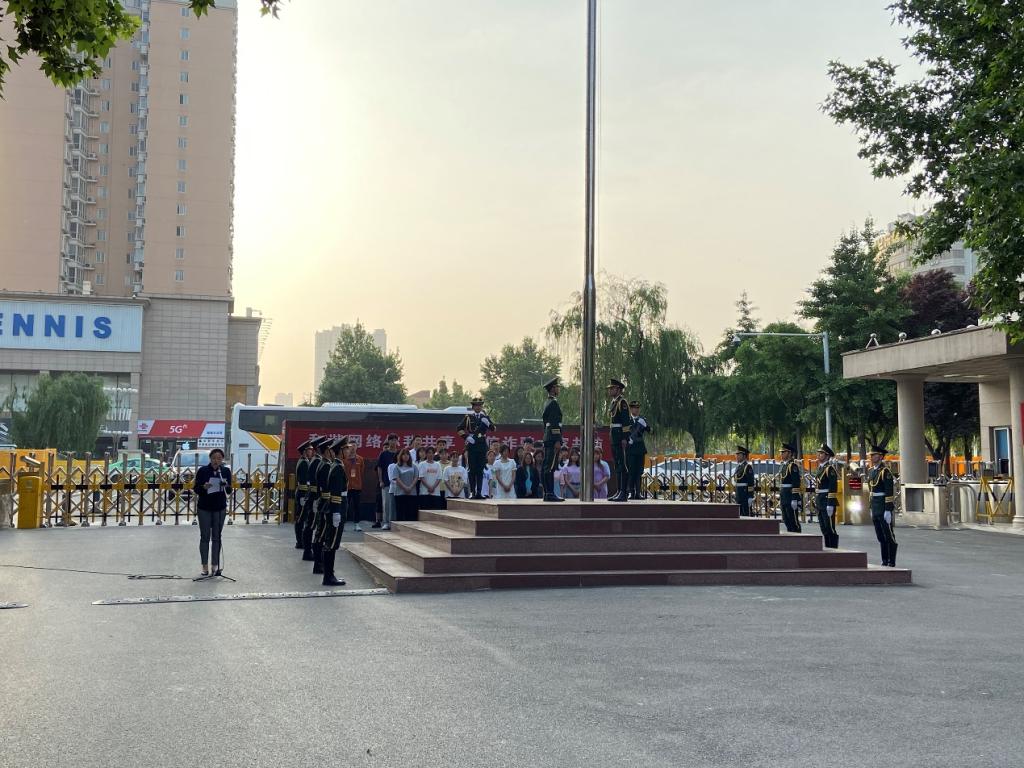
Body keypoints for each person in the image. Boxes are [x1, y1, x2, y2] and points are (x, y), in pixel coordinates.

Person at [194, 448, 232, 577]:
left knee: (217, 537)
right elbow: (196, 489)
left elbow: (229, 491)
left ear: (222, 460)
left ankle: (215, 565)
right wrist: (203, 487)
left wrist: (226, 485)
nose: (216, 461)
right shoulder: (203, 471)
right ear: (210, 459)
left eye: (219, 458)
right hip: (204, 507)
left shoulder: (225, 471)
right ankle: (204, 566)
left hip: (219, 508)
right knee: (205, 537)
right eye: (214, 458)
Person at [319, 437, 348, 586]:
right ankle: (328, 576)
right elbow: (336, 492)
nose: (348, 451)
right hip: (336, 508)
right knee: (332, 543)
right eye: (346, 449)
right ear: (340, 451)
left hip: (335, 507)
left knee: (330, 541)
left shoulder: (336, 465)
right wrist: (336, 512)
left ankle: (329, 574)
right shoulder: (337, 467)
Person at [458, 397, 495, 499]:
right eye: (476, 405)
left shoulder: (485, 417)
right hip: (472, 445)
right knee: (472, 469)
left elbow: (493, 429)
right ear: (473, 407)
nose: (478, 407)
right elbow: (459, 429)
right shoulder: (468, 418)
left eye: (480, 405)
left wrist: (488, 423)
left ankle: (479, 492)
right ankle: (472, 492)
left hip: (482, 445)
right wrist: (467, 437)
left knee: (480, 469)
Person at [867, 445, 898, 566]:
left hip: (883, 507)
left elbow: (889, 492)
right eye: (871, 455)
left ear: (880, 456)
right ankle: (884, 560)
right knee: (880, 535)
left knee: (888, 535)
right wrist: (871, 507)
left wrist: (888, 510)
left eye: (874, 455)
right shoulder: (871, 471)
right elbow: (871, 491)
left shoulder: (885, 472)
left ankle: (891, 561)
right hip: (875, 507)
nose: (871, 457)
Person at [311, 438, 337, 575]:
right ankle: (319, 564)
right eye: (331, 449)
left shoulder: (322, 463)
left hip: (322, 501)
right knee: (321, 535)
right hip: (326, 502)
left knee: (319, 533)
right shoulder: (326, 465)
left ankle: (318, 564)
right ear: (327, 451)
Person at [301, 437, 328, 562]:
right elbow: (315, 483)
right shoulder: (317, 461)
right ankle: (307, 551)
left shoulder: (316, 460)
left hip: (313, 496)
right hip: (314, 497)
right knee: (311, 525)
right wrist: (317, 498)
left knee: (310, 525)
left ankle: (308, 551)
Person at [606, 378, 630, 501]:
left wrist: (625, 438)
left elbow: (626, 422)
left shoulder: (622, 402)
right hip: (614, 437)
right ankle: (618, 491)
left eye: (612, 388)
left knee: (622, 465)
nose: (610, 390)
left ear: (618, 389)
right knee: (617, 465)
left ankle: (623, 492)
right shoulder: (614, 402)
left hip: (620, 437)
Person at [541, 377, 564, 502]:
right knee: (550, 466)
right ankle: (550, 493)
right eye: (557, 387)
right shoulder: (553, 403)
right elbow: (555, 423)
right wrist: (557, 440)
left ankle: (547, 493)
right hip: (552, 437)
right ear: (553, 389)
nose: (558, 389)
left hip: (547, 436)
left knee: (547, 465)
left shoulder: (547, 402)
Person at [814, 444, 840, 549]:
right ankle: (828, 549)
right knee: (824, 528)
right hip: (820, 501)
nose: (819, 455)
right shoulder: (820, 468)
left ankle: (833, 550)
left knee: (830, 528)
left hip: (826, 501)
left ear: (827, 456)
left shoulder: (829, 469)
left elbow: (833, 486)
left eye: (822, 453)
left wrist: (830, 503)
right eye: (819, 453)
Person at [626, 400, 650, 500]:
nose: (636, 410)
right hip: (631, 449)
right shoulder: (627, 420)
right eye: (634, 408)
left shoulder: (642, 419)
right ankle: (631, 492)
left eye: (637, 408)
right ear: (631, 409)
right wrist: (628, 439)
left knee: (639, 472)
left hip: (640, 448)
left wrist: (646, 425)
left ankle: (638, 493)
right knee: (631, 471)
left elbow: (650, 431)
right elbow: (624, 432)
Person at [293, 439, 314, 549]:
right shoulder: (304, 463)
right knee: (300, 519)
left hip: (302, 492)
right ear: (305, 451)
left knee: (301, 518)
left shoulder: (303, 461)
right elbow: (305, 481)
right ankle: (300, 542)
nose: (311, 451)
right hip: (302, 493)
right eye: (309, 450)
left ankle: (300, 541)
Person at [778, 442, 803, 533]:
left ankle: (798, 538)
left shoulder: (792, 466)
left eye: (783, 452)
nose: (781, 454)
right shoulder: (783, 465)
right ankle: (791, 537)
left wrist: (795, 498)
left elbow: (796, 483)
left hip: (790, 495)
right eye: (781, 452)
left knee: (793, 521)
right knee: (786, 519)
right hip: (784, 495)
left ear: (789, 453)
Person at [375, 434, 398, 530]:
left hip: (398, 483)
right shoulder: (383, 454)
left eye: (395, 440)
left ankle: (395, 522)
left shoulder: (399, 453)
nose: (393, 442)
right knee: (386, 504)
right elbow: (379, 468)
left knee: (395, 504)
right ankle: (386, 522)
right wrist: (381, 480)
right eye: (391, 440)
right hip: (386, 482)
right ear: (388, 441)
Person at [389, 448, 419, 523]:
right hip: (400, 493)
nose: (406, 456)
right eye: (403, 454)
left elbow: (416, 477)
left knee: (410, 513)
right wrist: (405, 488)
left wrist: (410, 487)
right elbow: (396, 478)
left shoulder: (414, 466)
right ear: (400, 456)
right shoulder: (397, 466)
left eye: (407, 454)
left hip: (411, 493)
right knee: (400, 513)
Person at [343, 441, 366, 532]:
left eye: (354, 446)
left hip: (357, 486)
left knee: (357, 506)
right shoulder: (344, 459)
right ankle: (343, 524)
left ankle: (357, 524)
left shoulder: (360, 459)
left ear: (357, 447)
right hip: (346, 487)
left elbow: (362, 472)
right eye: (350, 446)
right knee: (345, 506)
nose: (352, 447)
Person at [733, 445, 755, 516]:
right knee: (739, 515)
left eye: (739, 455)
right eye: (736, 454)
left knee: (746, 514)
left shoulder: (747, 467)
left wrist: (750, 496)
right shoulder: (738, 467)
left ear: (744, 456)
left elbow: (751, 482)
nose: (737, 456)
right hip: (738, 494)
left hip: (745, 494)